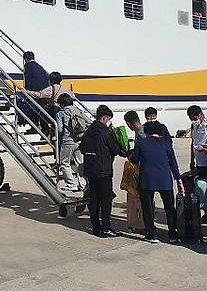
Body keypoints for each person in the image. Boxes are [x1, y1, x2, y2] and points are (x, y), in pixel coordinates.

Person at [129, 121, 185, 243]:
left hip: (147, 180)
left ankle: (151, 234)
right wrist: (178, 180)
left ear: (147, 131)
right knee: (169, 208)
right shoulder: (166, 145)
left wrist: (130, 155)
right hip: (164, 180)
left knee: (147, 208)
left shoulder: (142, 144)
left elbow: (134, 159)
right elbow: (173, 164)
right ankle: (172, 234)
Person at [79, 105, 125, 237]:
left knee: (94, 199)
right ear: (104, 117)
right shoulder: (105, 132)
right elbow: (115, 149)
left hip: (91, 170)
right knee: (106, 199)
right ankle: (106, 228)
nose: (108, 122)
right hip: (103, 170)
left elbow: (82, 148)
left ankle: (96, 227)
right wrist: (125, 152)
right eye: (108, 119)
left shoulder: (88, 132)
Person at [55, 93, 86, 192]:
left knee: (64, 163)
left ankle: (71, 184)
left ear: (62, 104)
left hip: (67, 141)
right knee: (80, 163)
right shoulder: (78, 111)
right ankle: (83, 184)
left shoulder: (60, 113)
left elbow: (59, 129)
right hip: (79, 140)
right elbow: (88, 122)